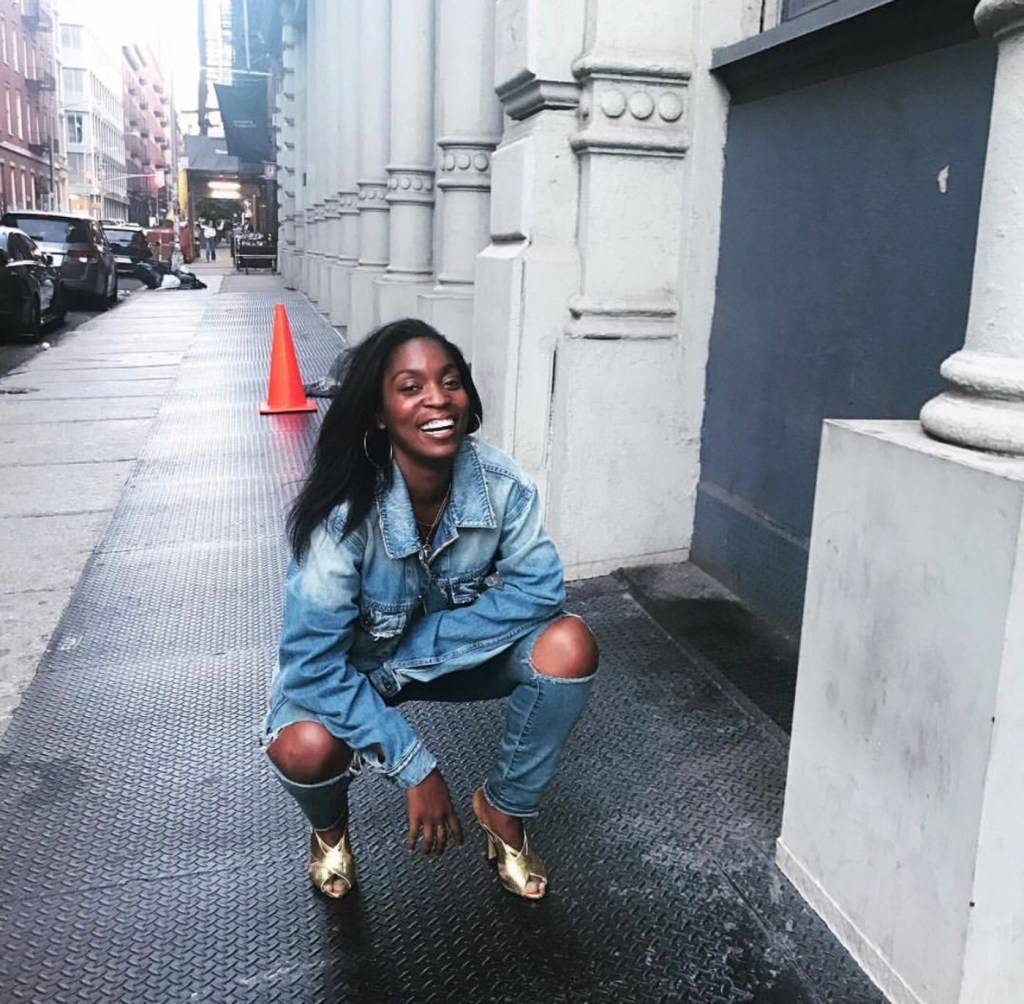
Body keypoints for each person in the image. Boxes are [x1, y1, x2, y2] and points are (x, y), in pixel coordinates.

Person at [262, 318, 599, 900]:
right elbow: (312, 668)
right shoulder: (343, 517)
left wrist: (409, 658)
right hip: (349, 672)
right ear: (379, 412)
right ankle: (329, 831)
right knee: (305, 747)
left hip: (439, 661)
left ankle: (504, 808)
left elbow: (540, 592)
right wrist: (415, 764)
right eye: (411, 387)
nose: (438, 399)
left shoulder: (502, 485)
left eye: (450, 381)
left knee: (568, 645)